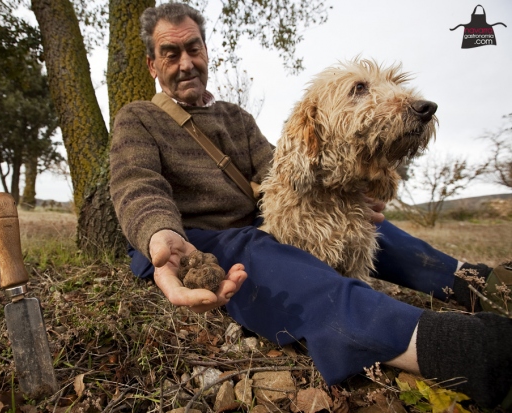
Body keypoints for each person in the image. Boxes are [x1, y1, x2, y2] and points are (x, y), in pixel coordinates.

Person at [109, 2, 512, 409]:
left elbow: (279, 168)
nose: (185, 63)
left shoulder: (237, 118)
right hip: (195, 242)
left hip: (259, 220)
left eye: (193, 49)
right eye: (170, 53)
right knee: (263, 251)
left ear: (206, 52)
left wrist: (348, 180)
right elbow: (136, 184)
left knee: (352, 217)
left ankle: (479, 282)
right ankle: (464, 350)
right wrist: (159, 232)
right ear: (151, 65)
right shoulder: (138, 118)